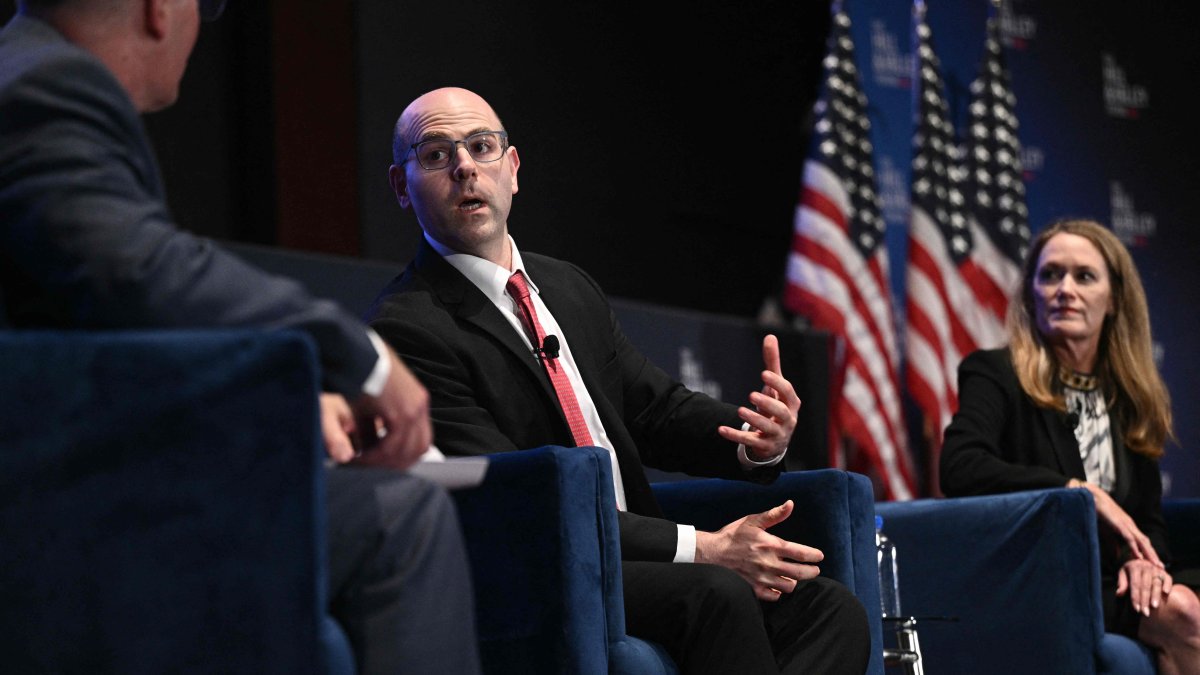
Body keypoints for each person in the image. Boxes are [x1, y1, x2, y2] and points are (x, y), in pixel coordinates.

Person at [0, 2, 480, 673]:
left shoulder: (26, 70)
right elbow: (136, 271)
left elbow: (84, 326)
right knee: (397, 515)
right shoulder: (48, 86)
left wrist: (270, 393)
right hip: (49, 518)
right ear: (160, 10)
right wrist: (362, 361)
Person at [365, 86, 870, 675]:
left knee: (831, 609)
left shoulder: (566, 287)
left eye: (482, 147)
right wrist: (703, 548)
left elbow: (656, 411)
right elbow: (522, 498)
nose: (465, 168)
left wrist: (757, 437)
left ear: (514, 169)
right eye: (435, 155)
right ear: (402, 187)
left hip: (634, 556)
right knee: (719, 593)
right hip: (545, 567)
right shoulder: (408, 326)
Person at [941, 218, 1200, 674]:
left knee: (1176, 595)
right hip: (1041, 578)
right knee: (1181, 611)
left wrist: (1147, 565)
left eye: (1083, 276)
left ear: (1114, 298)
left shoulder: (1129, 397)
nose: (1065, 289)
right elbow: (961, 467)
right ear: (1031, 294)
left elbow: (1149, 519)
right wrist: (1078, 489)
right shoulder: (995, 373)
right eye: (1050, 275)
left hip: (1115, 581)